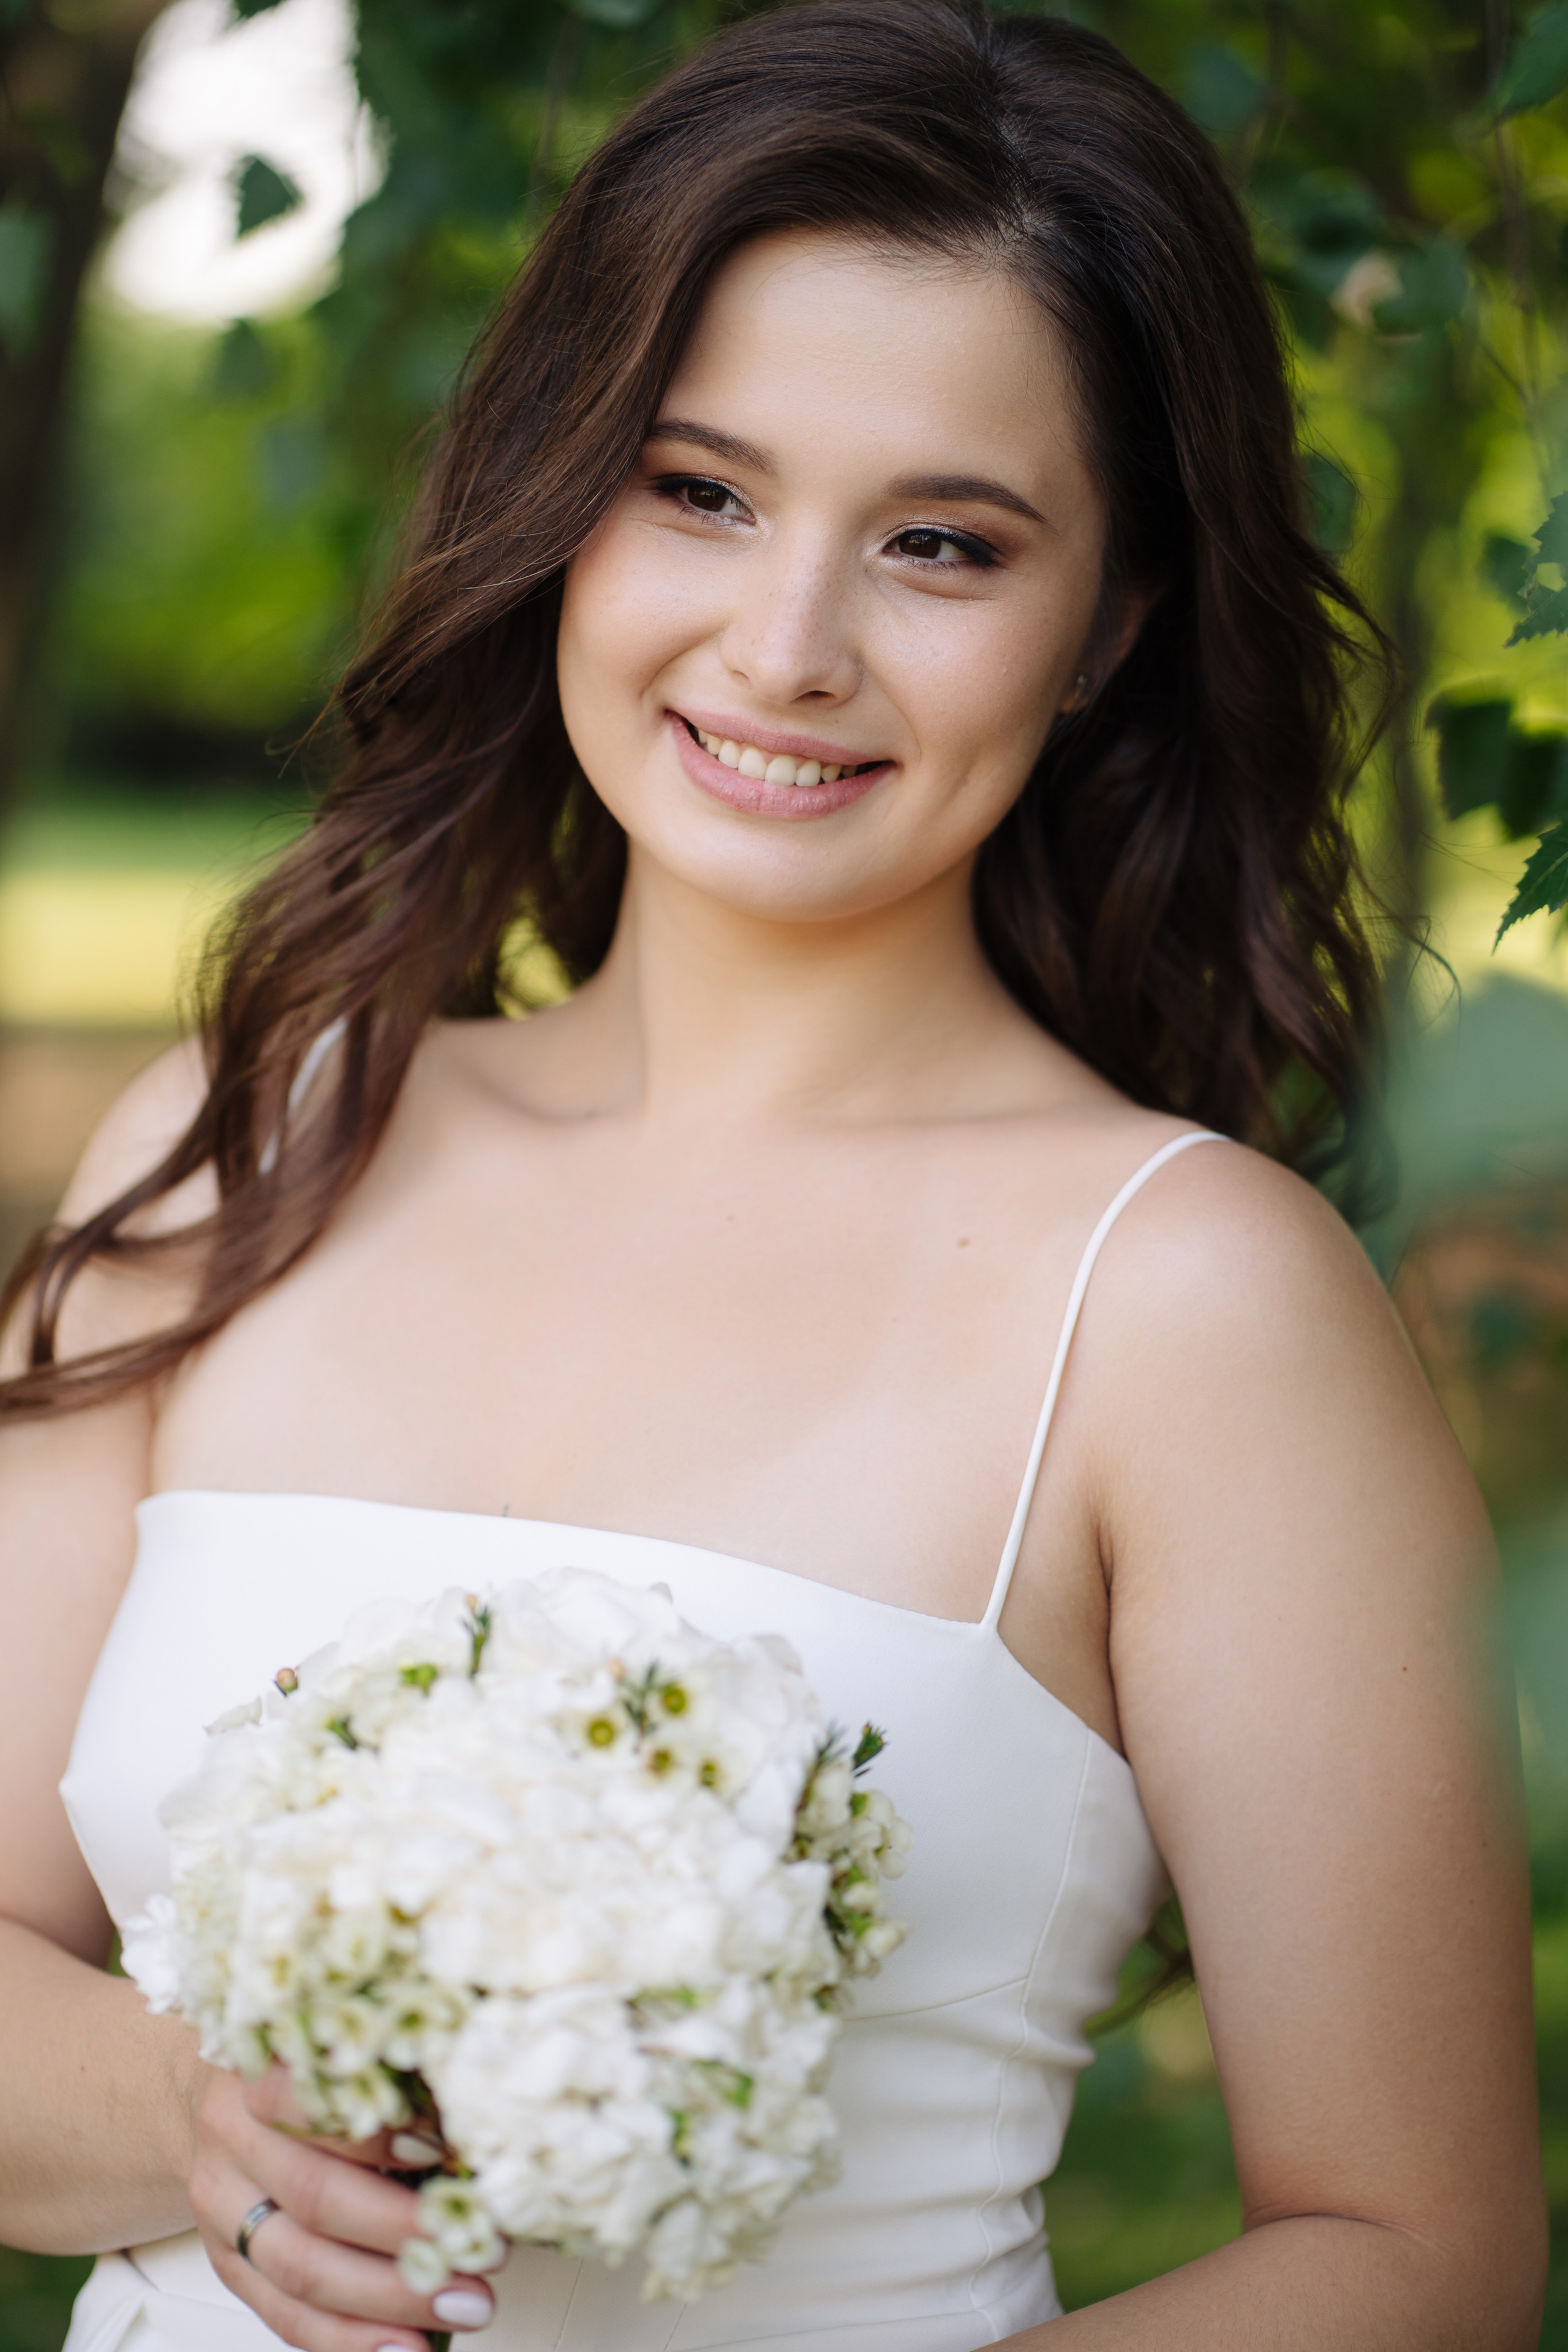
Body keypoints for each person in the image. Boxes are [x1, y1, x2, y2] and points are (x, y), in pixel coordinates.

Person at [0, 3, 1546, 2346]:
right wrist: (227, 2132)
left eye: (943, 542)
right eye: (698, 489)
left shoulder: (1192, 1305)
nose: (786, 644)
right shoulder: (251, 1143)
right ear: (556, 494)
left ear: (1112, 620)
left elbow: (1424, 2261)